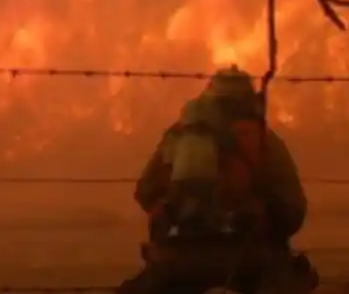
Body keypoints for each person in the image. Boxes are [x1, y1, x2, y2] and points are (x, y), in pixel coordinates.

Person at [117, 65, 316, 294]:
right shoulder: (261, 139)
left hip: (180, 259)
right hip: (251, 258)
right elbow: (294, 212)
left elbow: (145, 192)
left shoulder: (181, 135)